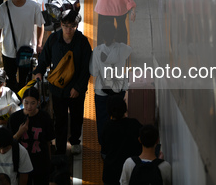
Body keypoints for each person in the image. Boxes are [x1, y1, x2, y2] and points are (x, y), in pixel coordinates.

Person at [33, 10, 92, 155]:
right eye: (66, 26)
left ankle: (75, 140)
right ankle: (60, 147)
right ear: (61, 24)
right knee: (60, 118)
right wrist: (38, 71)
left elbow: (87, 68)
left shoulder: (83, 42)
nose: (68, 30)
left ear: (76, 26)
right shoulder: (53, 39)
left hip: (76, 90)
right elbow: (44, 58)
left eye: (72, 26)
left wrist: (78, 87)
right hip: (58, 89)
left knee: (77, 116)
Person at [0, 0, 44, 91]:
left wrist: (39, 44)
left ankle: (23, 104)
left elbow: (41, 25)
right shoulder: (3, 8)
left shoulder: (33, 6)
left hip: (26, 50)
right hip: (8, 52)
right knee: (10, 80)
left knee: (25, 81)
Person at [89, 21, 132, 147]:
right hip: (119, 90)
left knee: (103, 120)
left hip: (102, 91)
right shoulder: (123, 48)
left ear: (101, 37)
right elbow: (131, 51)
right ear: (114, 35)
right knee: (120, 118)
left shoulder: (97, 51)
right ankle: (120, 145)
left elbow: (93, 71)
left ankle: (105, 147)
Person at [8, 87, 55, 185]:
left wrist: (49, 161)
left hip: (40, 161)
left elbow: (48, 142)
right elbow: (8, 143)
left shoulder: (44, 117)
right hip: (21, 161)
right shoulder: (14, 118)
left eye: (33, 103)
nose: (29, 106)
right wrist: (19, 133)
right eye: (26, 102)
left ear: (38, 102)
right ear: (22, 101)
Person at [101, 95, 142, 185]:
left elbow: (104, 149)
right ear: (125, 108)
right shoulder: (134, 124)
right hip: (132, 172)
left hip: (111, 174)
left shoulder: (107, 127)